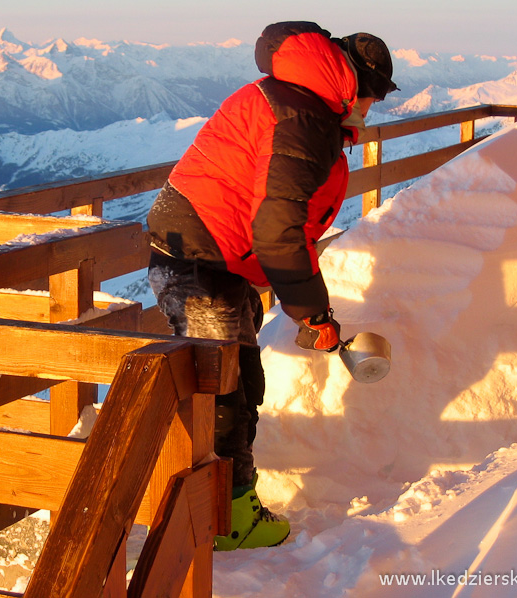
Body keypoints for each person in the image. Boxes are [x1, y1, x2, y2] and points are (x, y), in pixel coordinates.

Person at [146, 21, 398, 551]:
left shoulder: (295, 97)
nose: (369, 110)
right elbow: (279, 231)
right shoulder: (303, 117)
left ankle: (219, 506)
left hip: (212, 252)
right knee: (222, 393)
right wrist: (313, 315)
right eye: (371, 98)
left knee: (235, 380)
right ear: (353, 86)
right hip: (202, 256)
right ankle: (223, 521)